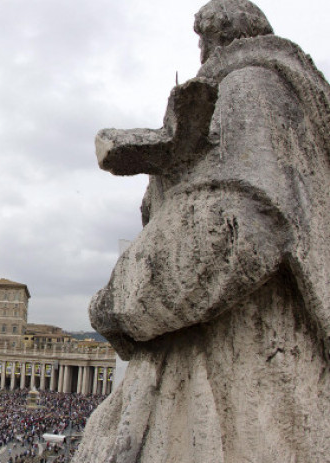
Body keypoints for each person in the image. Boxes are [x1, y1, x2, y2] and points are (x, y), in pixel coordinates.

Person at [78, 1, 330, 462]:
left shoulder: (253, 86)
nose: (199, 53)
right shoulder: (249, 93)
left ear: (218, 37)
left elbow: (236, 226)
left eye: (202, 40)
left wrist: (116, 303)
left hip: (238, 384)